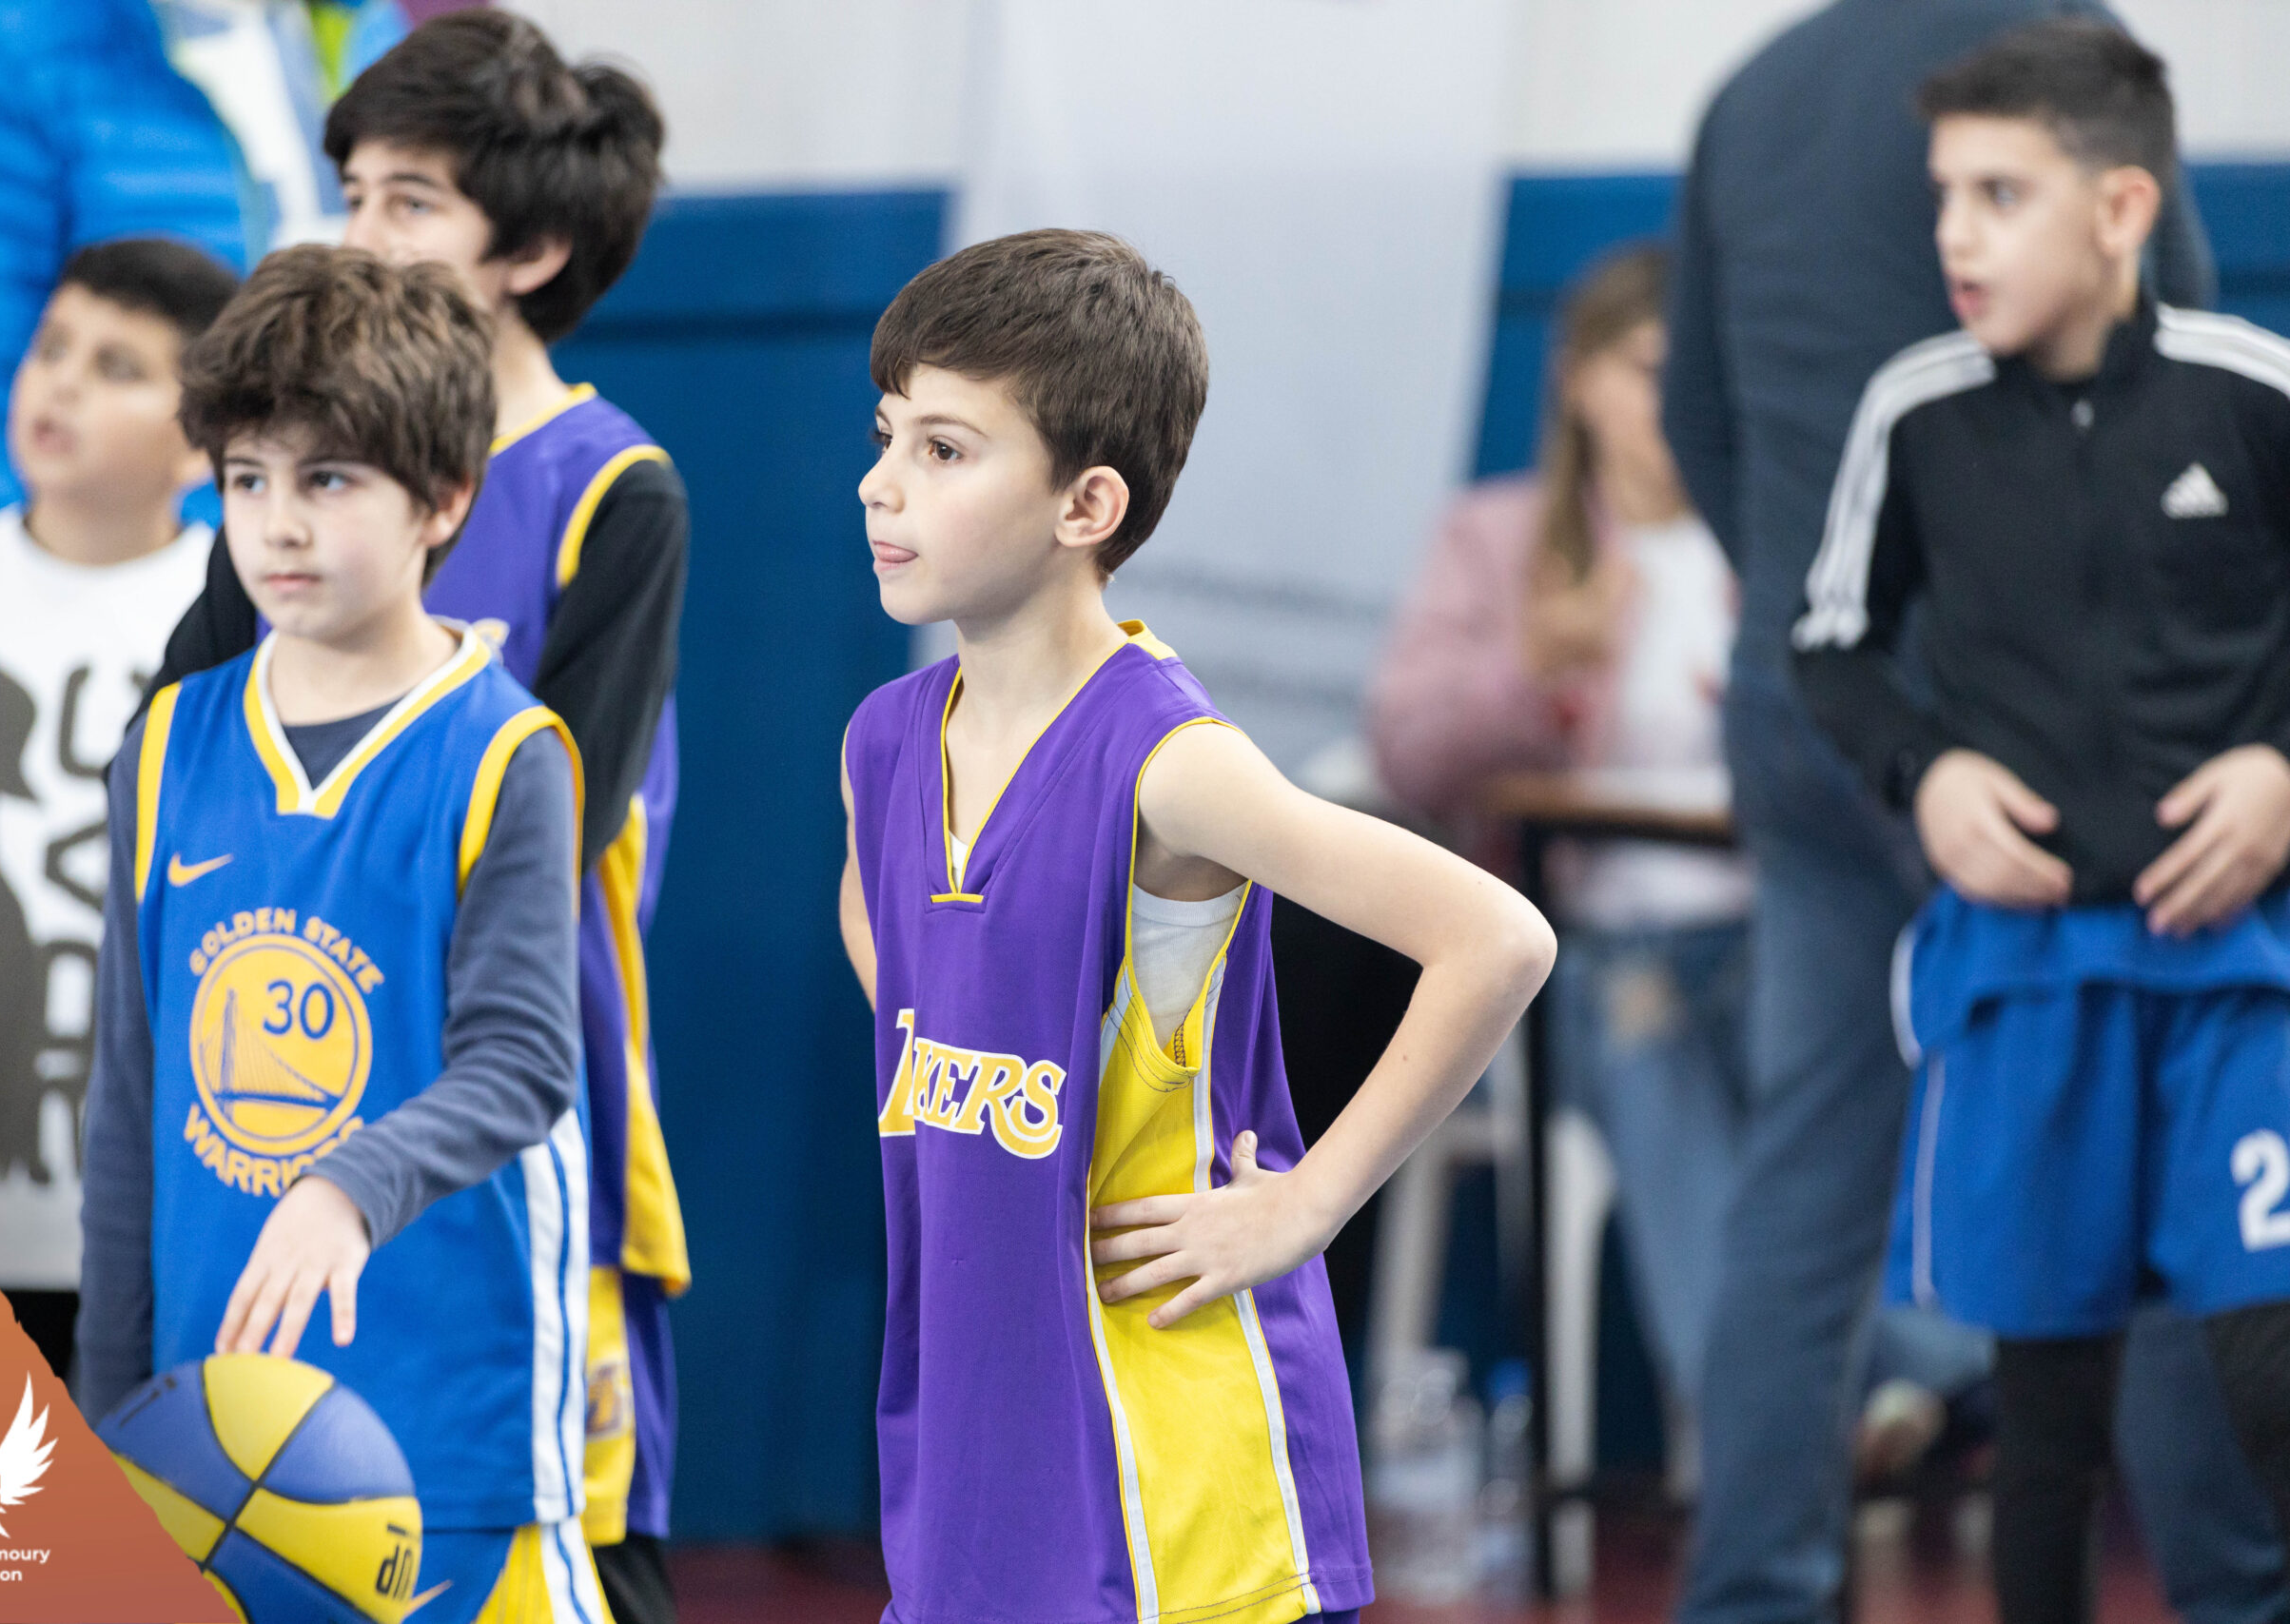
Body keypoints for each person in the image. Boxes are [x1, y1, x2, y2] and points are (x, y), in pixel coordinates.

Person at [1661, 1, 2289, 1617]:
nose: (1964, 226)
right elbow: (2164, 375)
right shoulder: (2057, 53)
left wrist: (1808, 610)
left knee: (1810, 1168)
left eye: (1991, 199)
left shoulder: (1755, 90)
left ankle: (1753, 1592)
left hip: (1812, 709)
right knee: (2152, 1135)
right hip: (2022, 728)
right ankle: (2228, 1585)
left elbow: (1696, 423)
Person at [837, 228, 1557, 1624]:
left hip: (1178, 1451)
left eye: (945, 448)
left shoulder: (1175, 765)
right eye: (885, 436)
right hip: (979, 1421)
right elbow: (880, 915)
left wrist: (1306, 1201)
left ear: (1085, 502)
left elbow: (1498, 938)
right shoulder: (884, 738)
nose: (882, 481)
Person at [143, 16, 691, 1616]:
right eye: (355, 193)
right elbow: (180, 733)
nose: (361, 231)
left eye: (409, 201)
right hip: (273, 1066)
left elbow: (558, 820)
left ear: (528, 250)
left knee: (564, 1528)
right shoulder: (288, 484)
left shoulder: (612, 490)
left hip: (515, 1076)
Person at [76, 245, 608, 1621]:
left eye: (328, 480)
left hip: (453, 1429)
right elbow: (128, 1099)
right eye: (248, 479)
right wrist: (106, 1411)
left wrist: (344, 1185)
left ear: (445, 496)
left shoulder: (505, 752)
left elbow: (524, 1061)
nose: (278, 526)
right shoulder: (168, 745)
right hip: (212, 1432)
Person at [1371, 244, 1751, 1437]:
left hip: (1763, 930)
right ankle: (1791, 1413)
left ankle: (1858, 1394)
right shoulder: (1500, 540)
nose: (1677, 401)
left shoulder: (1769, 539)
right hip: (1585, 946)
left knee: (1861, 1045)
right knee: (1646, 1034)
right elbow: (1404, 754)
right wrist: (1532, 670)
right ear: (1580, 380)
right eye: (1648, 369)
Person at [0, 239, 236, 1383]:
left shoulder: (232, 620)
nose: (62, 385)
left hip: (164, 1222)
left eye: (118, 368)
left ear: (201, 440)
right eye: (53, 348)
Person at [0, 0, 423, 554]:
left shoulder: (366, 26)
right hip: (143, 585)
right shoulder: (5, 39)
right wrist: (134, 598)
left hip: (363, 571)